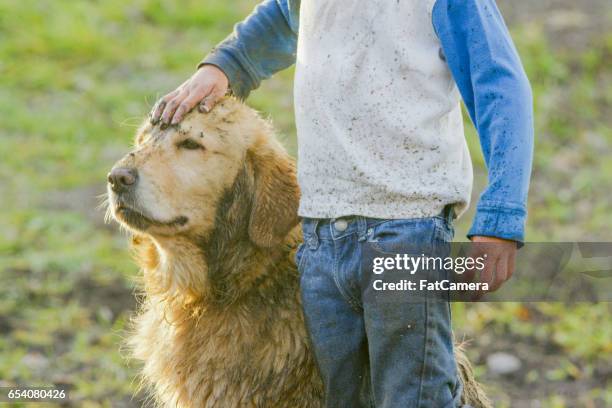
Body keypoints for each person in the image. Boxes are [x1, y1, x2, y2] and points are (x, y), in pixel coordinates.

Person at [150, 1, 533, 406]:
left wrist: (500, 217)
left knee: (415, 395)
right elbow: (282, 17)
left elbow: (499, 86)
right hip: (322, 239)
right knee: (339, 397)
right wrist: (225, 66)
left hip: (405, 229)